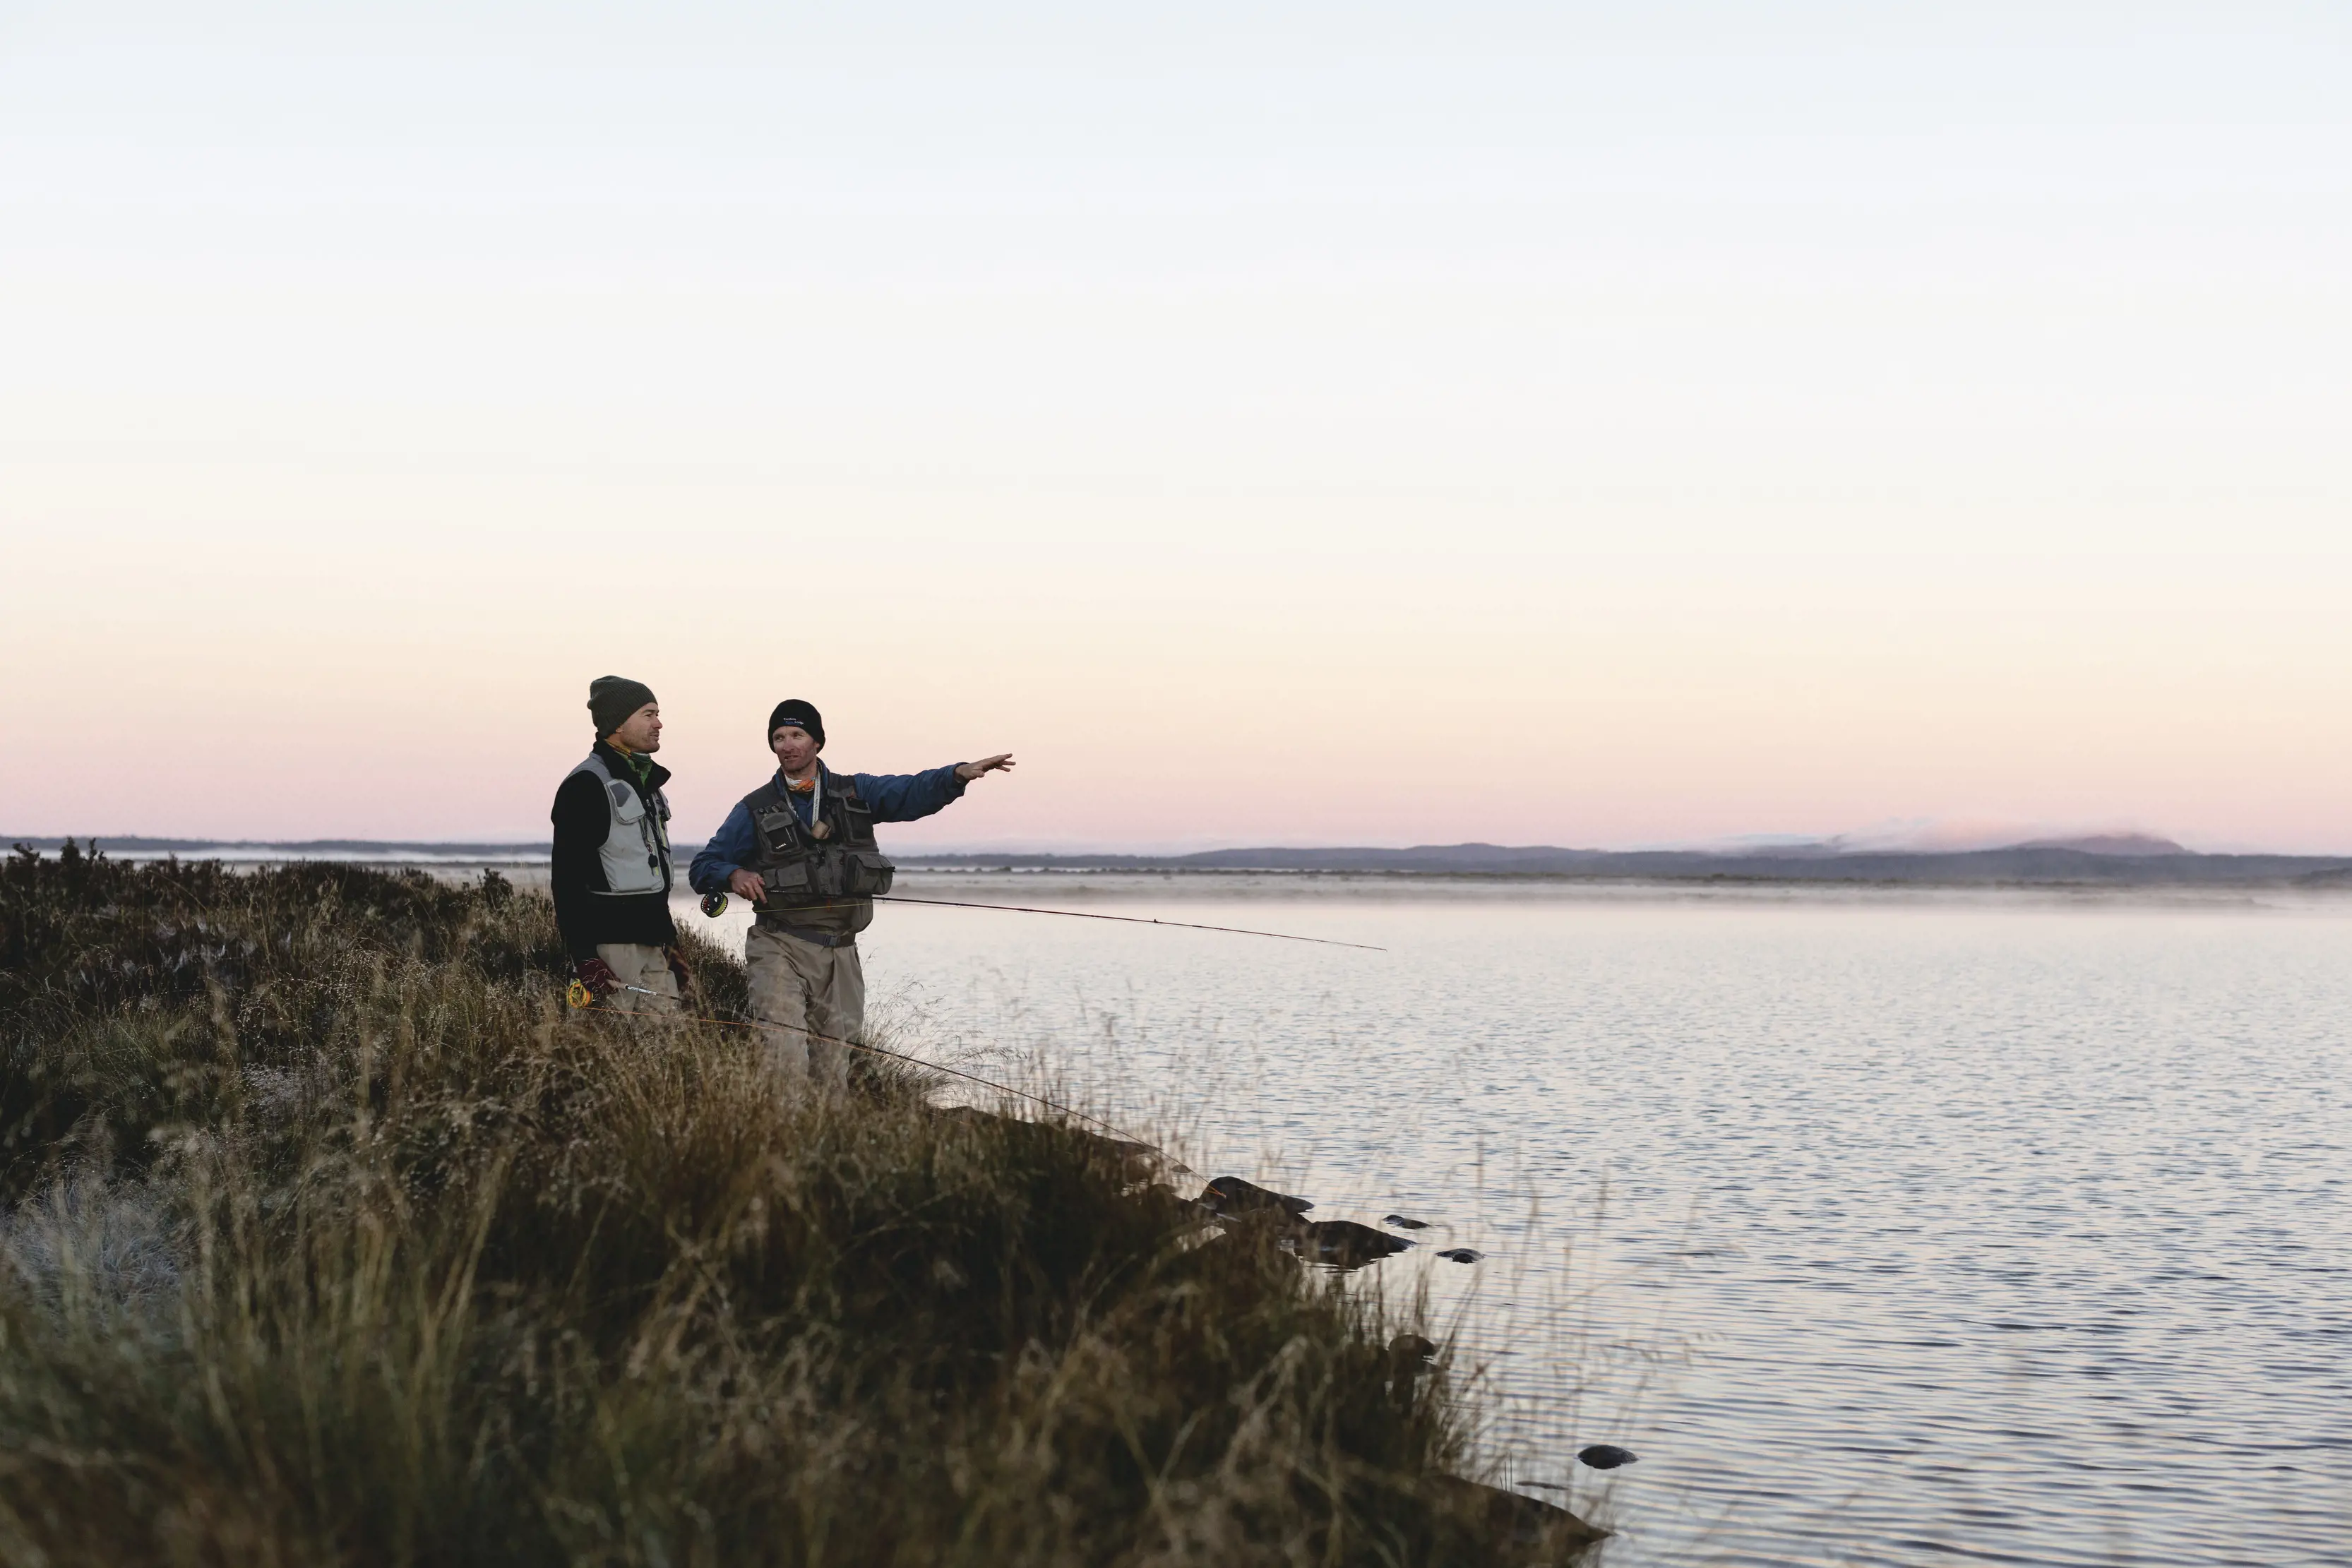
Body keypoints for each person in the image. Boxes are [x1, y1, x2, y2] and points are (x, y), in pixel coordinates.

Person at [690, 698, 1012, 1084]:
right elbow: (703, 866)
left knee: (834, 1067)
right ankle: (780, 1138)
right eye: (778, 737)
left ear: (818, 743)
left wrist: (957, 775)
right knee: (785, 1056)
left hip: (842, 952)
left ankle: (826, 1139)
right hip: (779, 946)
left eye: (797, 734)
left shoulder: (856, 792)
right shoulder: (754, 808)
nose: (787, 744)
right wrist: (733, 875)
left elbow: (908, 792)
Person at [550, 675, 688, 1015]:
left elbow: (652, 873)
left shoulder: (648, 784)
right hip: (608, 951)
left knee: (665, 1053)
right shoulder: (586, 785)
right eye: (648, 714)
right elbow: (566, 880)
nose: (659, 723)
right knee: (600, 1053)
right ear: (617, 724)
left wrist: (672, 949)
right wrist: (584, 957)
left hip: (655, 947)